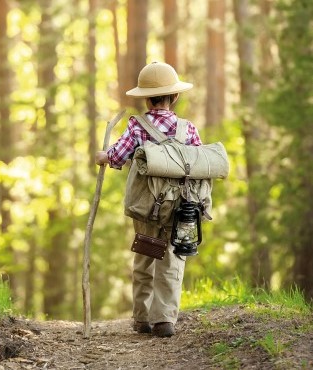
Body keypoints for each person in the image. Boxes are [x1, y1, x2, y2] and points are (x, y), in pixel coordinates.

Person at [95, 62, 202, 338]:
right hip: (181, 207)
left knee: (146, 254)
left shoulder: (137, 126)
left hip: (145, 207)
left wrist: (103, 156)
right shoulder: (188, 129)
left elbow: (117, 156)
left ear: (145, 98)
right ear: (175, 96)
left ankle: (142, 317)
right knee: (173, 259)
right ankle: (164, 319)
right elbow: (199, 164)